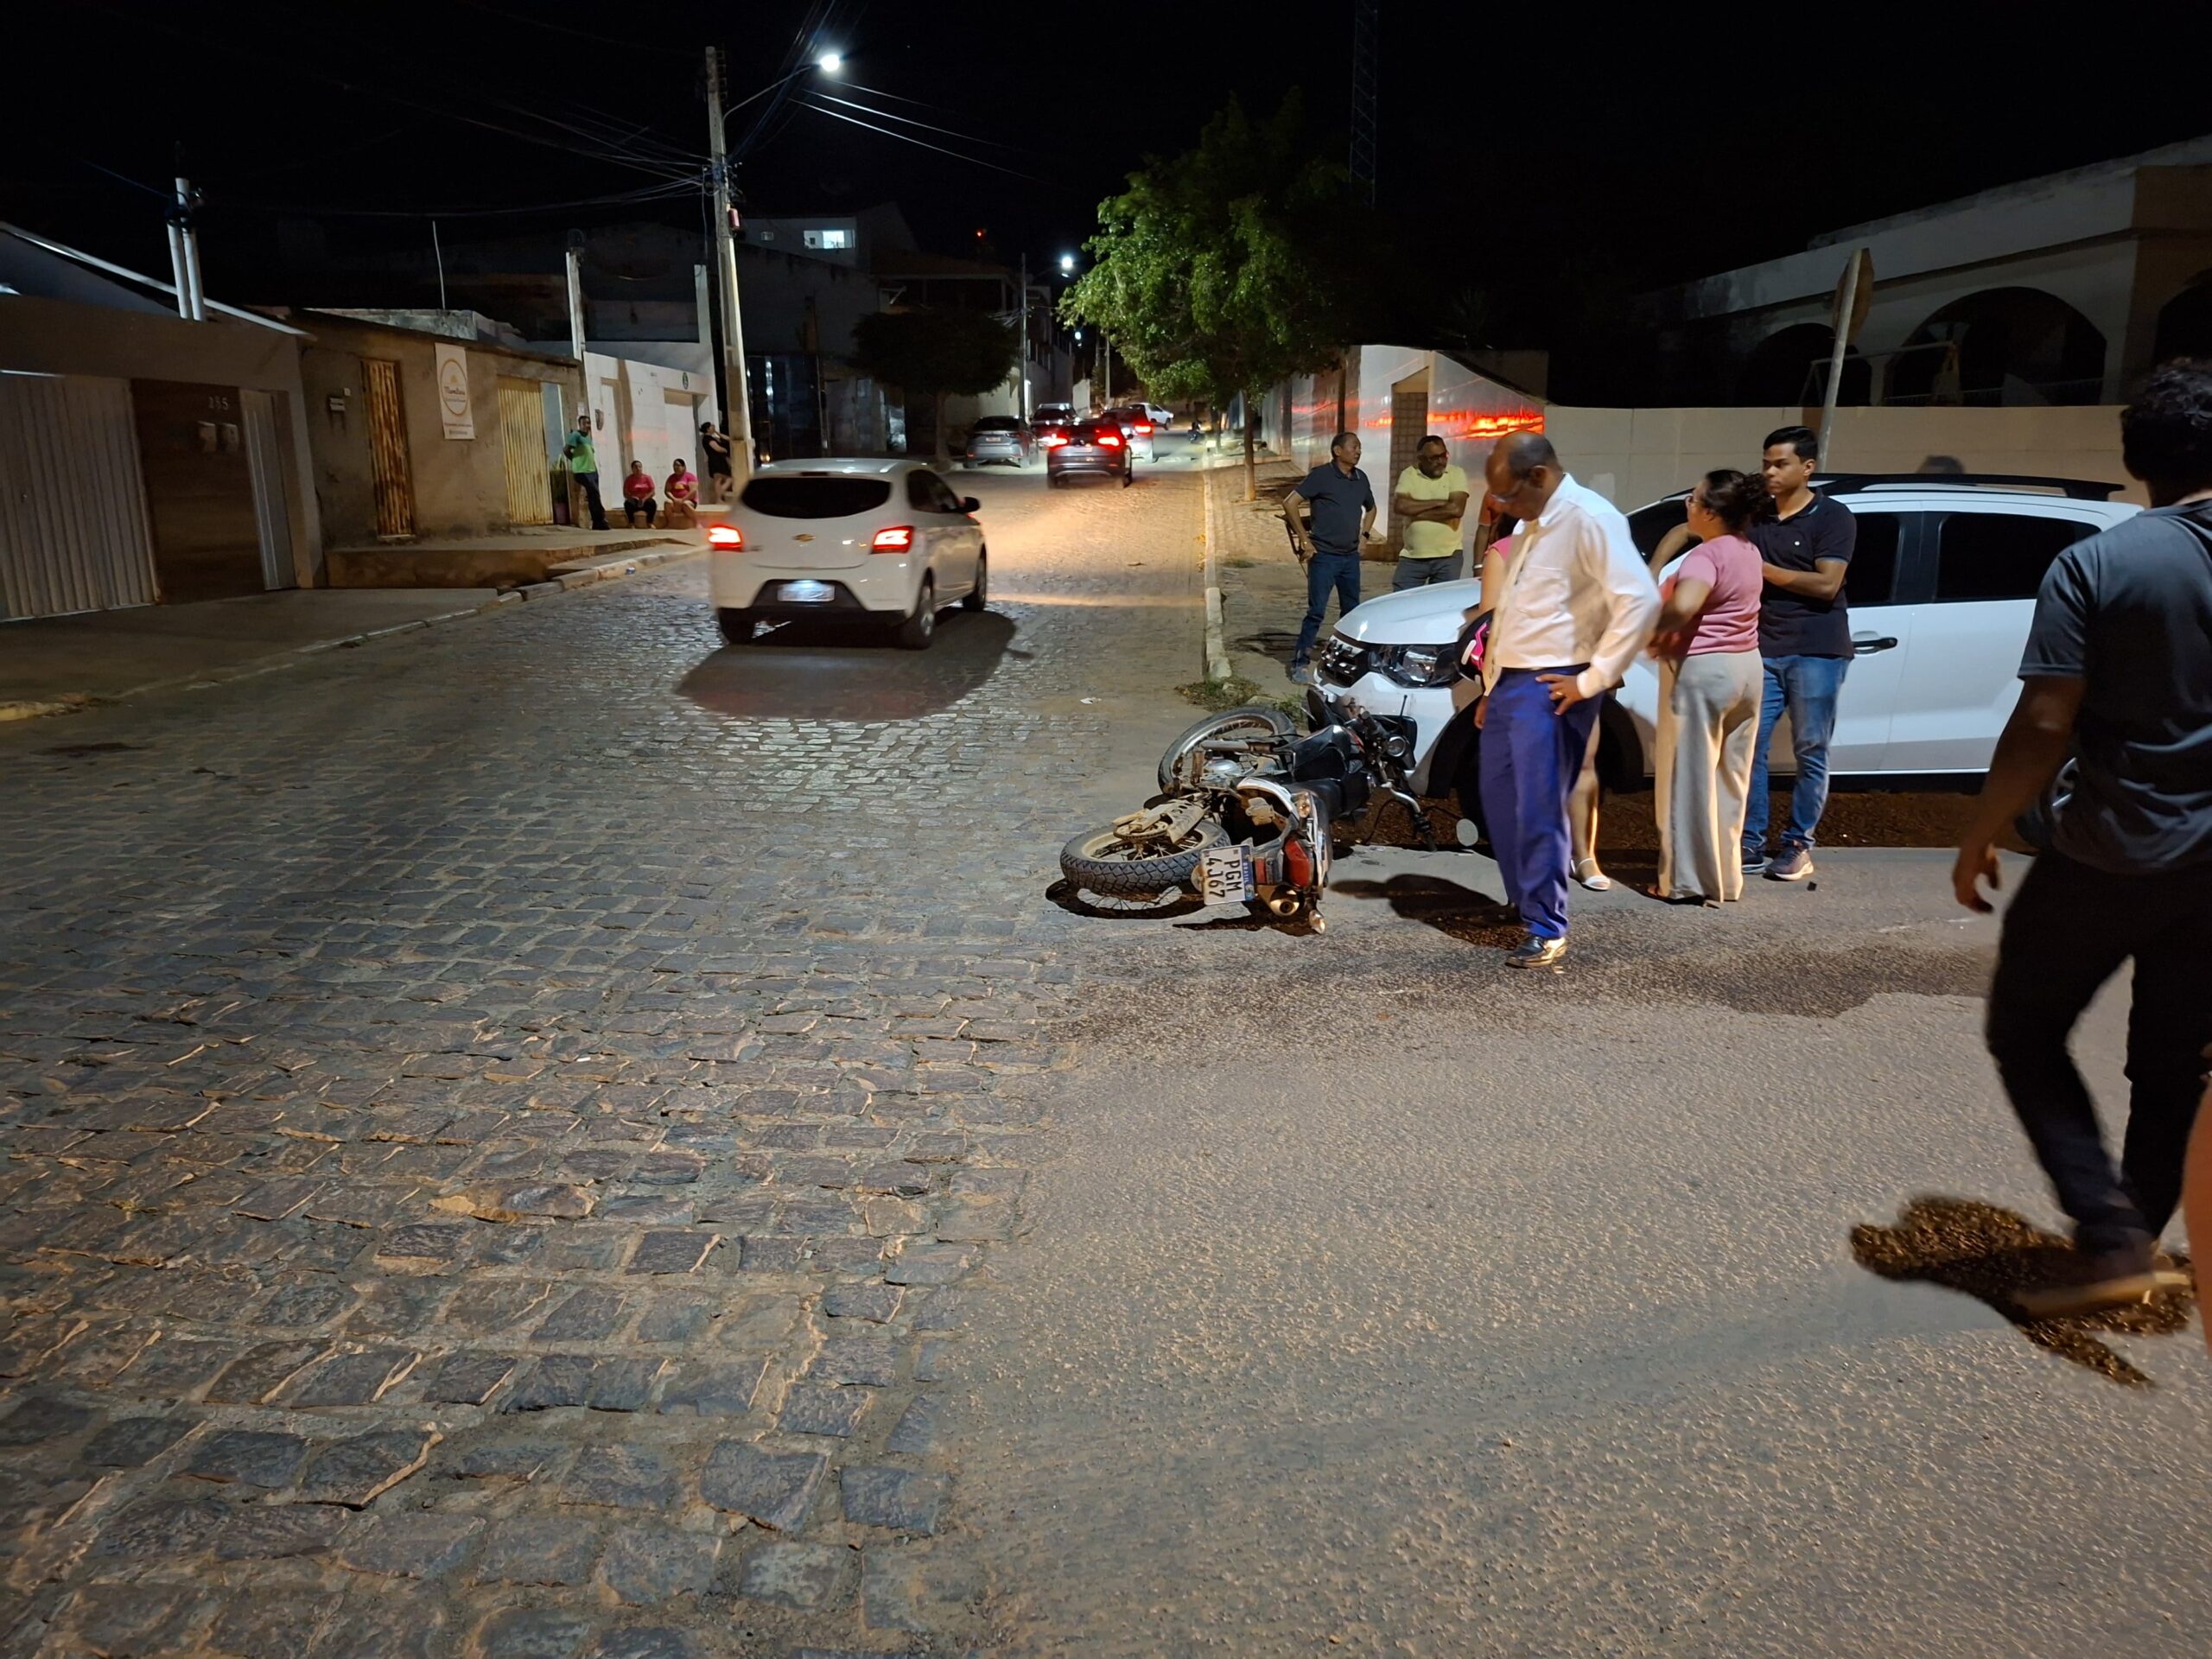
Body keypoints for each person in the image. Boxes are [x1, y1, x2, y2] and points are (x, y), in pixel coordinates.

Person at [1954, 360, 2212, 1318]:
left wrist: (1979, 832)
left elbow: (2045, 722)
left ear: (2138, 457)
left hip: (2115, 848)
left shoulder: (2101, 563)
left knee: (2023, 1030)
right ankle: (2133, 1237)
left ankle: (2109, 1240)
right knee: (2173, 1052)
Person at [1478, 433, 1661, 967]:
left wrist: (1594, 678)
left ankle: (1546, 923)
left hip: (1555, 682)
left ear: (1538, 476)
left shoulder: (1590, 517)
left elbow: (1640, 599)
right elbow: (1515, 612)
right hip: (1513, 682)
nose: (1502, 509)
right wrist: (1493, 688)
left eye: (1507, 496)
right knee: (1500, 798)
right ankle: (1524, 897)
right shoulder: (1535, 523)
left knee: (1537, 804)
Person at [1648, 470, 1770, 905]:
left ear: (1711, 513)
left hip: (1707, 670)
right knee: (1731, 780)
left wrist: (1644, 627)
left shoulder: (1705, 557)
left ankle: (1686, 882)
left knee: (1692, 779)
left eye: (1693, 499)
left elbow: (1683, 608)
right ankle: (1726, 879)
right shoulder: (1748, 550)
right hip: (1748, 667)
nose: (1687, 504)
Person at [1743, 424, 1856, 881]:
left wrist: (1762, 568)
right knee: (1749, 746)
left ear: (1807, 468)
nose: (1769, 471)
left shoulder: (1833, 517)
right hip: (1764, 645)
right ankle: (1749, 841)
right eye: (1766, 462)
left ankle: (1797, 843)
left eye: (1780, 463)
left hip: (1817, 650)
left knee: (1811, 749)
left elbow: (1827, 583)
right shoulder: (1756, 516)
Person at [1479, 503, 1611, 891]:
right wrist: (1491, 691)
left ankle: (1584, 854)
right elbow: (1491, 626)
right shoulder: (1503, 553)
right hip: (1524, 680)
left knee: (1584, 764)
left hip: (1577, 673)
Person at [1283, 431, 1378, 685]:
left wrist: (1365, 535)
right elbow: (1290, 503)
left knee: (1351, 612)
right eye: (1353, 447)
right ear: (1338, 451)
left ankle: (1348, 663)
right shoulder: (1321, 476)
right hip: (1324, 556)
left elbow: (1371, 507)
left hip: (1350, 558)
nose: (1358, 451)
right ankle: (1300, 662)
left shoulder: (1360, 478)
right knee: (1316, 611)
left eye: (1360, 447)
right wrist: (1305, 539)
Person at [1391, 435, 1471, 589]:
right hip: (1413, 556)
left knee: (1441, 606)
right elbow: (1400, 506)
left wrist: (1416, 513)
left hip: (1448, 557)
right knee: (1402, 603)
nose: (1440, 462)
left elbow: (1456, 509)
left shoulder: (1456, 473)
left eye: (1443, 455)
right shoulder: (1409, 474)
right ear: (1420, 458)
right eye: (1434, 458)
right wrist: (1438, 503)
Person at [564, 415, 608, 530]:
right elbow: (566, 450)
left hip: (592, 470)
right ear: (580, 424)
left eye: (588, 423)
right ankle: (600, 520)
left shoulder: (588, 438)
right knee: (594, 493)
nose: (587, 426)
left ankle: (597, 522)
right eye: (584, 423)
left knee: (594, 495)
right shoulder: (576, 435)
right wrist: (575, 461)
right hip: (582, 471)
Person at [700, 422, 735, 502]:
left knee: (719, 480)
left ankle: (719, 498)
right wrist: (725, 450)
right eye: (712, 426)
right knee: (725, 479)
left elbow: (728, 438)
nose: (713, 427)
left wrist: (716, 432)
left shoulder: (712, 437)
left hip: (718, 460)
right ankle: (719, 496)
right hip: (716, 461)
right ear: (708, 429)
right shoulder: (707, 439)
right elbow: (717, 448)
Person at [663, 458, 700, 528]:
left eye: (678, 465)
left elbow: (693, 491)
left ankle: (696, 523)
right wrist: (674, 499)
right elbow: (667, 491)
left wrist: (683, 499)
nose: (676, 467)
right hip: (675, 501)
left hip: (688, 501)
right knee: (667, 503)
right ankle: (671, 523)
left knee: (685, 504)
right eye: (674, 466)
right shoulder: (671, 478)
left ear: (683, 467)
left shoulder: (690, 477)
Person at [620, 460, 657, 528]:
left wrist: (644, 499)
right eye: (636, 467)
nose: (638, 469)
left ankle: (650, 522)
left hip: (645, 500)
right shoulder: (629, 479)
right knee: (627, 503)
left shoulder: (647, 478)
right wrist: (632, 498)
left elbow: (652, 491)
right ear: (632, 469)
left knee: (652, 503)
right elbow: (625, 493)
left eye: (640, 467)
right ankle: (631, 523)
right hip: (634, 500)